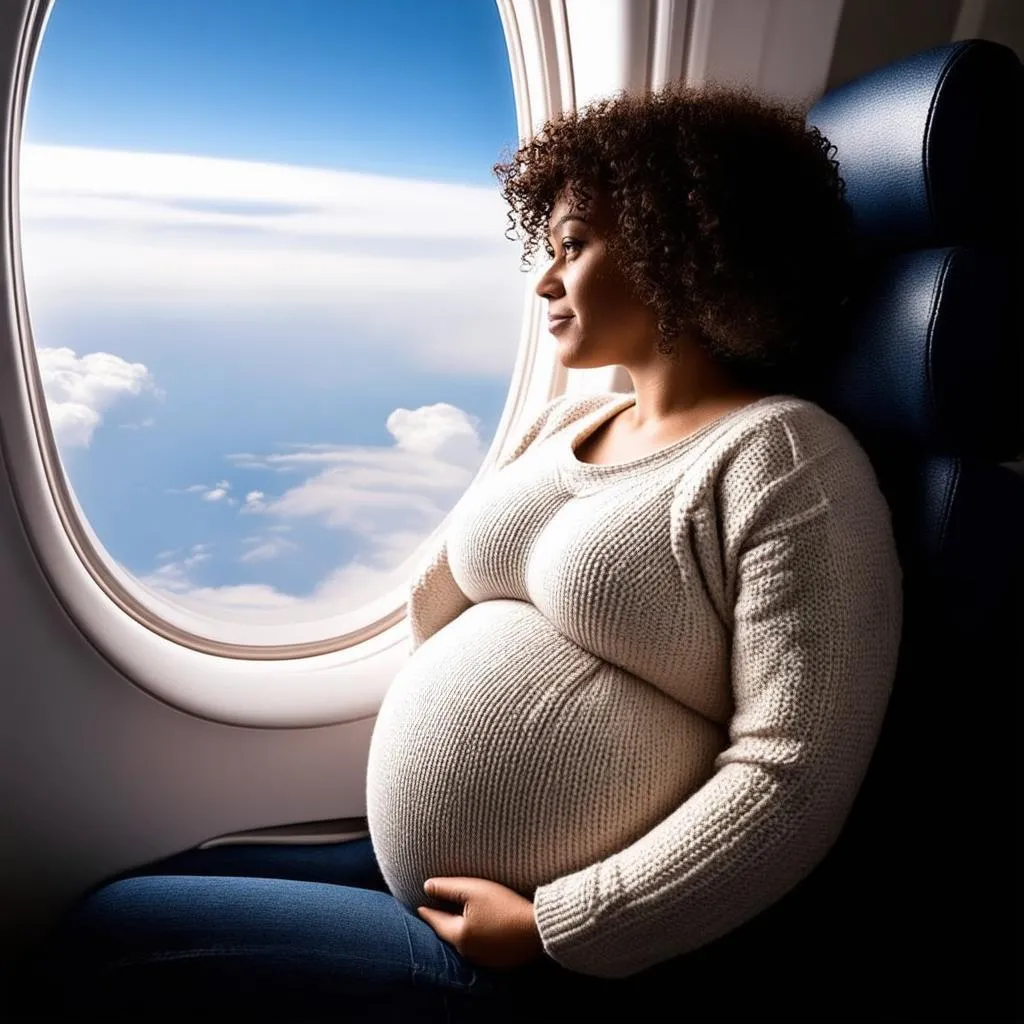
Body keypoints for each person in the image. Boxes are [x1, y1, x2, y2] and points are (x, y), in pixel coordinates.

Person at [20, 82, 902, 1023]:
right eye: (548, 248)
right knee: (158, 883)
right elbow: (446, 601)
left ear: (681, 247)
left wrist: (555, 924)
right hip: (433, 878)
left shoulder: (784, 460)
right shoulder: (568, 421)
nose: (545, 280)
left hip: (542, 958)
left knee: (107, 938)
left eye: (575, 247)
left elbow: (793, 773)